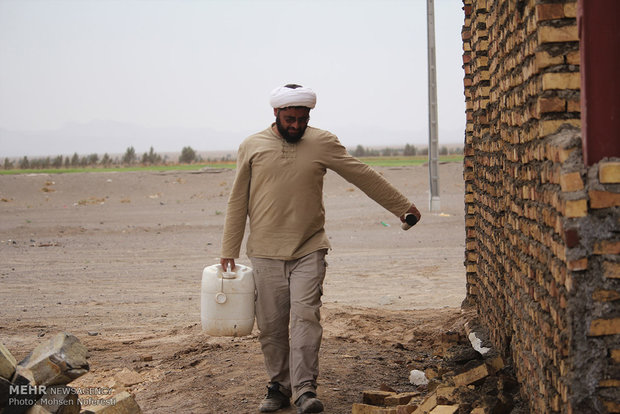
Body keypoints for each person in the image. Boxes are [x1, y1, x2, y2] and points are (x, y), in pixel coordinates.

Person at [220, 84, 421, 413]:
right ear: (275, 114)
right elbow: (237, 199)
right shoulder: (252, 145)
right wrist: (229, 248)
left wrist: (403, 207)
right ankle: (278, 387)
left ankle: (304, 390)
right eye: (290, 119)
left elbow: (362, 175)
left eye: (302, 118)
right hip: (265, 252)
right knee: (271, 326)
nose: (296, 125)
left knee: (305, 319)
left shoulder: (323, 142)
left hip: (309, 248)